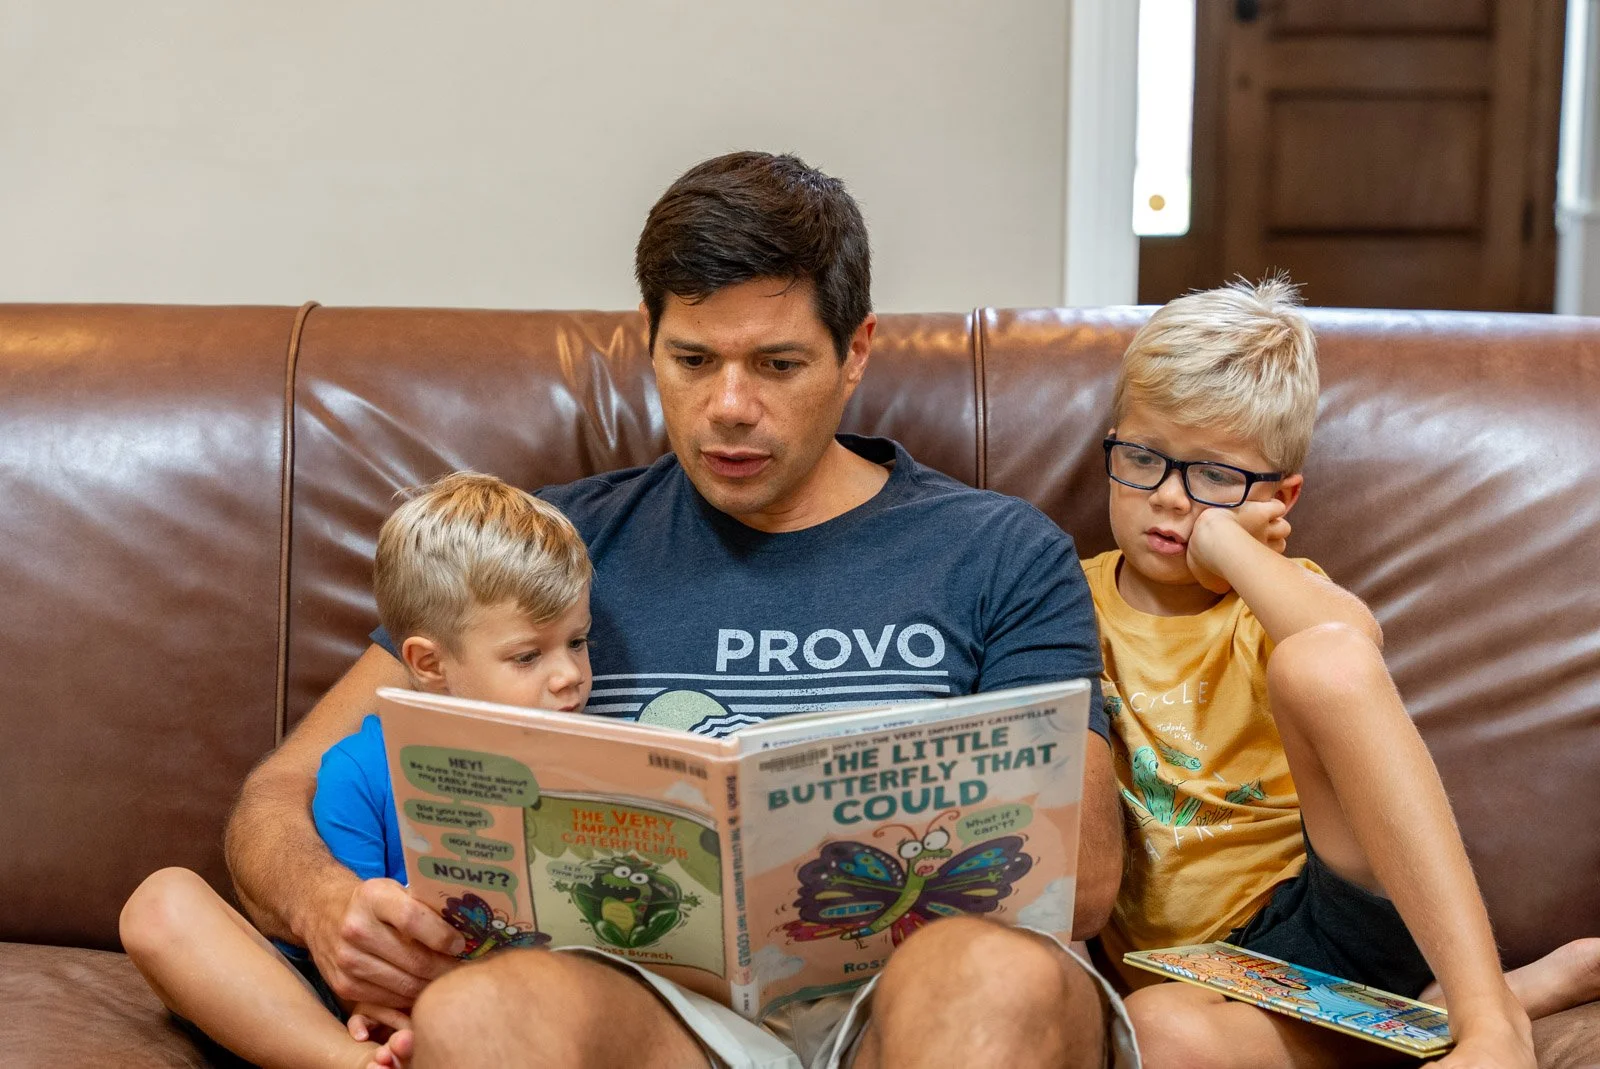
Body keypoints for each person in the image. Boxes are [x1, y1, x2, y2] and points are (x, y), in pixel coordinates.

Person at [223, 151, 1133, 1069]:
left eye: (778, 364)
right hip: (663, 1020)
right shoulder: (547, 550)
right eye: (693, 360)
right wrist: (324, 902)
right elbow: (278, 793)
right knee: (481, 1011)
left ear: (855, 351)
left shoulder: (1001, 553)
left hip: (909, 1009)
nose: (729, 407)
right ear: (648, 340)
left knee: (994, 973)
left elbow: (1085, 875)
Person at [1085, 277, 1600, 1068]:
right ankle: (1437, 1013)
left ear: (1280, 497)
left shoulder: (1273, 597)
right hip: (1196, 976)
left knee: (1319, 658)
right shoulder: (1068, 599)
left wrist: (1224, 546)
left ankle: (1487, 1017)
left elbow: (1351, 644)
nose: (1171, 499)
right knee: (1153, 1032)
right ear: (1114, 445)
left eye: (1214, 477)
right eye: (1145, 458)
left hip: (1327, 915)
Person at [120, 472, 595, 1069]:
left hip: (512, 1009)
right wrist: (373, 1010)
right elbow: (353, 942)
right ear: (429, 664)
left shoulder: (591, 763)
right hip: (358, 1001)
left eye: (578, 642)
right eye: (528, 656)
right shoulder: (360, 769)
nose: (569, 676)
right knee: (161, 904)